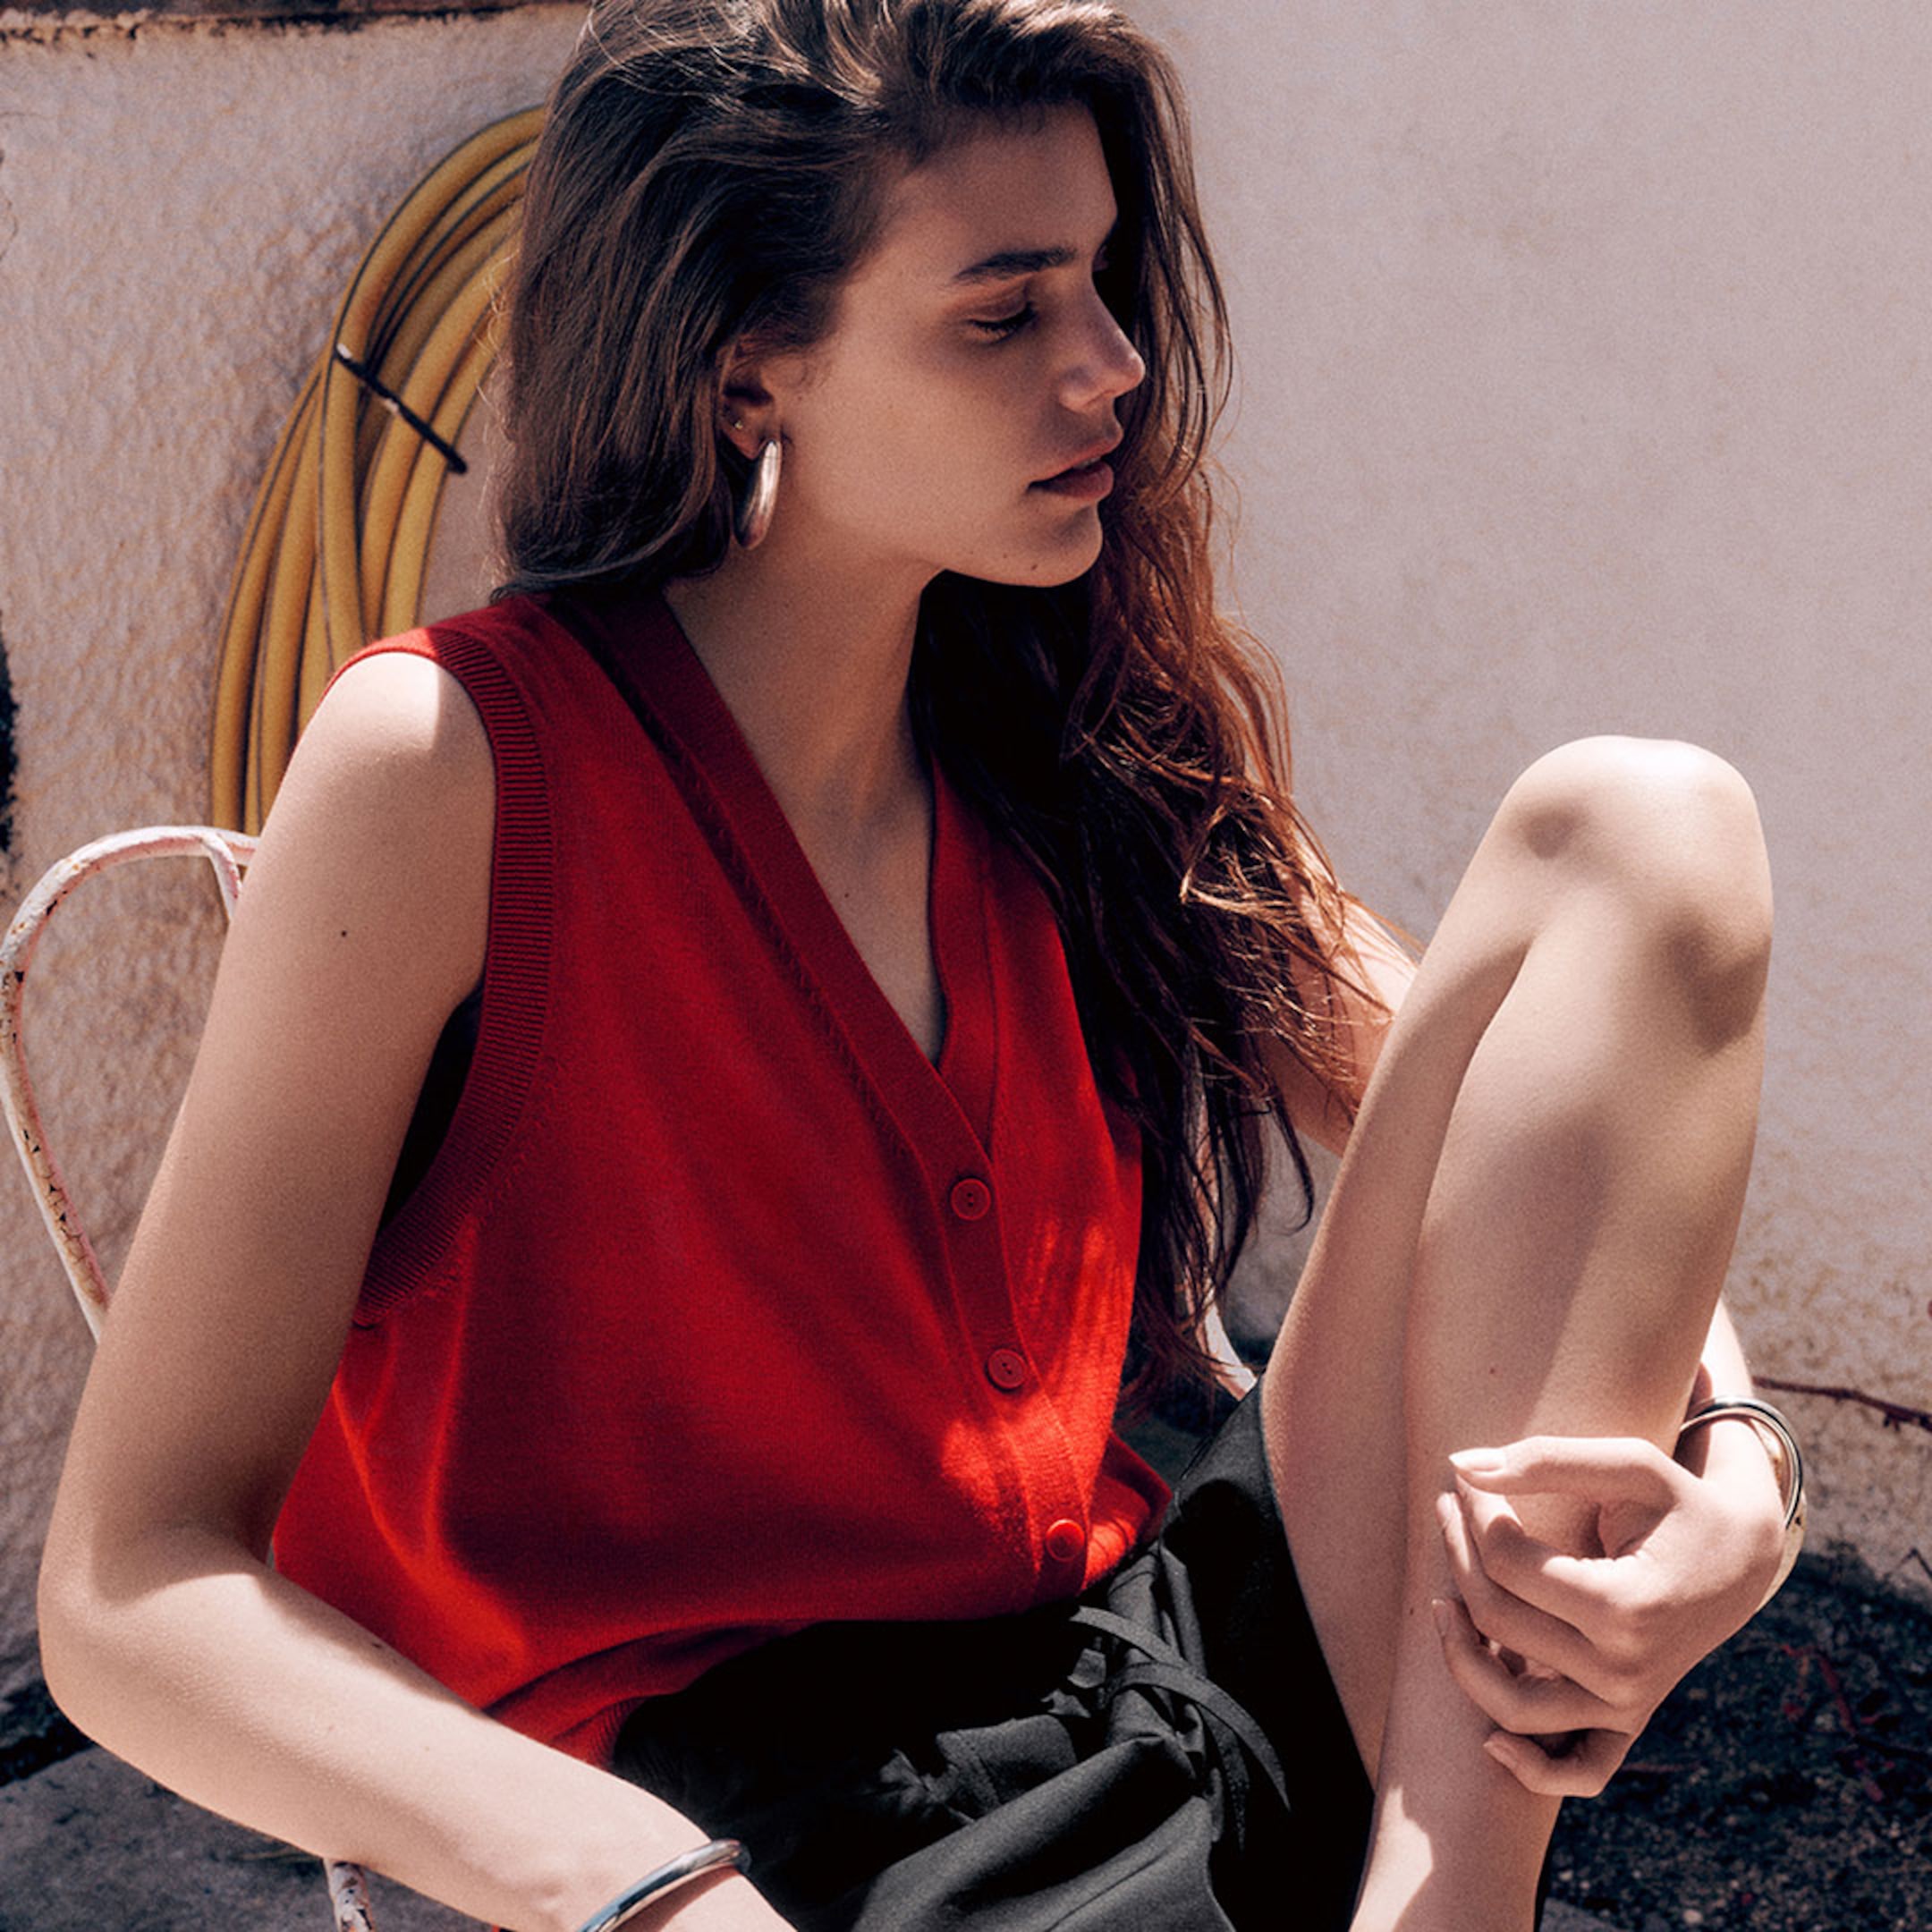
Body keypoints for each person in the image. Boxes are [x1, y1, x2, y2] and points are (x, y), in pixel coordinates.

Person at [37, 3, 1799, 1928]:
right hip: (782, 1848)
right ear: (748, 370)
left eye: (1109, 283)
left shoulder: (1070, 731)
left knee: (1646, 831)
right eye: (1004, 311)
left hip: (1177, 1681)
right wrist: (629, 1881)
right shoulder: (456, 768)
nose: (1114, 366)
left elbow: (1529, 1118)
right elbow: (134, 1588)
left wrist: (1736, 1459)